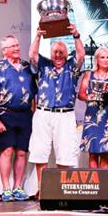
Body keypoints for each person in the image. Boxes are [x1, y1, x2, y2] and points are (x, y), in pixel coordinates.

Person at [28, 25, 85, 192]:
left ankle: (61, 189)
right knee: (40, 152)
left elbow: (81, 54)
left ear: (66, 55)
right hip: (43, 113)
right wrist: (38, 36)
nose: (58, 55)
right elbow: (32, 54)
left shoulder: (71, 67)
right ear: (51, 54)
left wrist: (76, 35)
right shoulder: (44, 65)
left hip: (65, 115)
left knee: (65, 153)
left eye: (61, 52)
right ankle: (42, 189)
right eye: (55, 52)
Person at [0, 35, 36, 202]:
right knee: (6, 152)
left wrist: (33, 113)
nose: (16, 48)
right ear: (4, 50)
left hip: (25, 115)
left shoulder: (27, 67)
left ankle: (18, 187)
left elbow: (33, 93)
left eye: (17, 44)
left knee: (22, 152)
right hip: (5, 114)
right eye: (12, 46)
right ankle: (6, 188)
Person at [79, 46, 108, 168]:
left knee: (105, 151)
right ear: (96, 59)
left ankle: (104, 185)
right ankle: (94, 184)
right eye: (103, 57)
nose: (106, 60)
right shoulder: (88, 74)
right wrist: (88, 97)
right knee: (92, 151)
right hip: (91, 116)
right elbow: (80, 94)